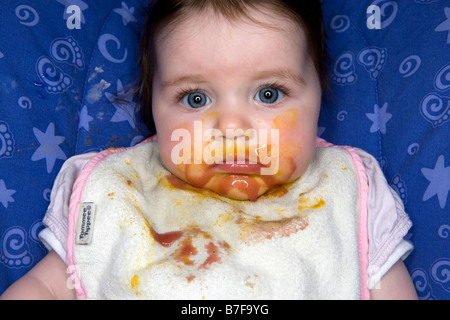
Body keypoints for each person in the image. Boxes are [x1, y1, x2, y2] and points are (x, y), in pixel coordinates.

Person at [1, 0, 417, 300]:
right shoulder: (119, 192)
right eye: (196, 99)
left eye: (270, 93)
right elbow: (50, 286)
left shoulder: (347, 190)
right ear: (153, 108)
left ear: (319, 97)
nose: (232, 129)